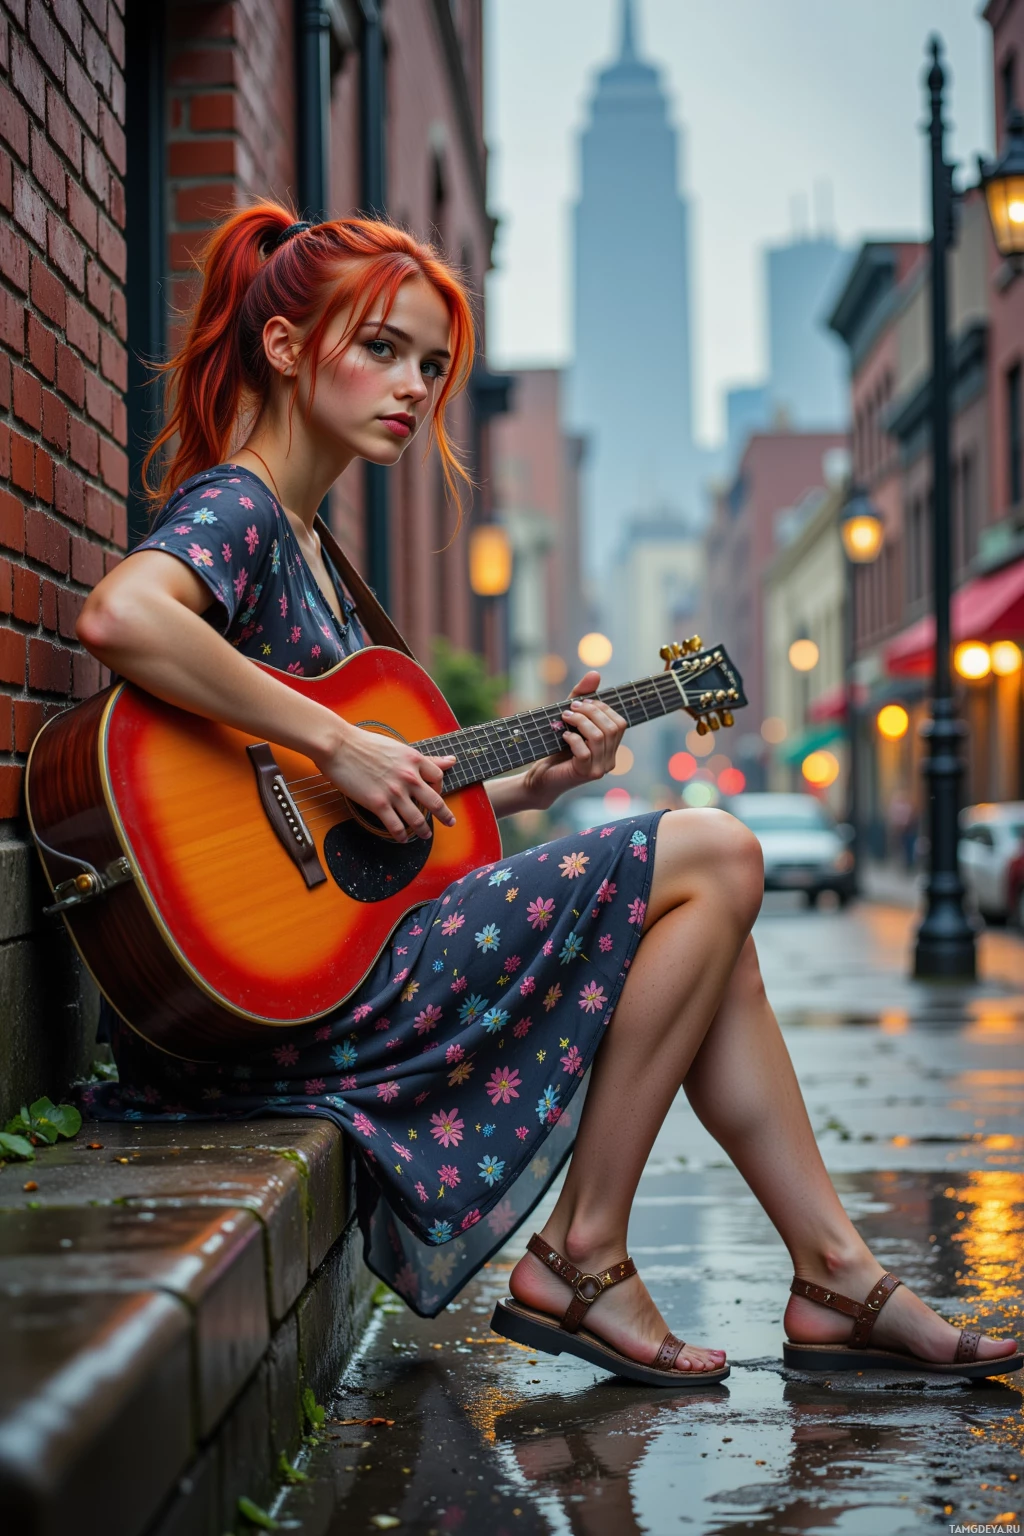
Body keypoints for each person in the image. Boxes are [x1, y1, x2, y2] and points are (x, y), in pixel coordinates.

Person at [76, 203, 1019, 1385]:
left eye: (430, 364)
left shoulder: (313, 548)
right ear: (283, 347)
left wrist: (525, 786)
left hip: (322, 964)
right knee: (717, 853)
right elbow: (121, 615)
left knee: (712, 932)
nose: (412, 388)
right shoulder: (243, 508)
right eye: (381, 349)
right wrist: (339, 742)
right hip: (269, 1006)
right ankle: (585, 1252)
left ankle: (832, 1268)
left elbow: (358, 840)